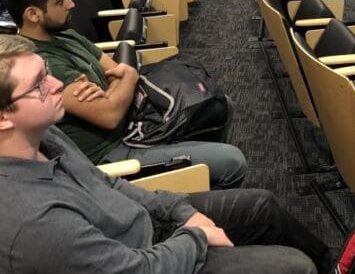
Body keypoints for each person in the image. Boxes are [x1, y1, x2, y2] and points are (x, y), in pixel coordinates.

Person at [0, 33, 331, 274]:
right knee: (294, 267)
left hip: (149, 227)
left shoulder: (47, 136)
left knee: (263, 206)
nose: (58, 85)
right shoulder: (33, 222)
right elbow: (136, 269)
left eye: (48, 72)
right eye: (39, 84)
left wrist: (177, 210)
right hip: (145, 258)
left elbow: (108, 185)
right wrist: (196, 236)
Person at [3, 0, 247, 189]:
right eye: (60, 0)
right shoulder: (42, 63)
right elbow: (109, 114)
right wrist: (126, 78)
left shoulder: (63, 34)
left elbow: (117, 69)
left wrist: (118, 84)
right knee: (233, 162)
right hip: (113, 153)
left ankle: (196, 183)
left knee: (219, 104)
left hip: (135, 121)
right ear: (33, 14)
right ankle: (200, 203)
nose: (71, 4)